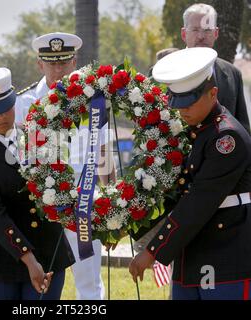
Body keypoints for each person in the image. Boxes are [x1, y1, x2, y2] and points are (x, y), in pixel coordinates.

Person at [129, 47, 251, 300]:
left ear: (213, 93)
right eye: (178, 103)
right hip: (191, 249)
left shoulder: (226, 138)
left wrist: (153, 251)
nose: (183, 110)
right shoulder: (194, 129)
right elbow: (176, 192)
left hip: (226, 252)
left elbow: (199, 201)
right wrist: (126, 226)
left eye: (190, 102)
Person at [15, 32, 114, 300]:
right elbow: (20, 158)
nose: (58, 69)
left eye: (64, 62)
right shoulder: (24, 103)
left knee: (89, 281)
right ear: (40, 64)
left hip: (84, 202)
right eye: (51, 63)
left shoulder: (94, 98)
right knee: (42, 282)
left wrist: (111, 197)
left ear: (75, 62)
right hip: (41, 205)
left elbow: (102, 151)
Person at [0, 67, 75, 300]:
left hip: (47, 249)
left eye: (6, 107)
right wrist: (29, 259)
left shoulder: (40, 139)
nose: (2, 116)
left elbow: (62, 189)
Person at [181, 3, 250, 133]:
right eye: (195, 30)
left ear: (216, 33)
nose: (201, 36)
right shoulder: (166, 71)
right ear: (184, 34)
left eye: (207, 30)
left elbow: (243, 128)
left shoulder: (233, 74)